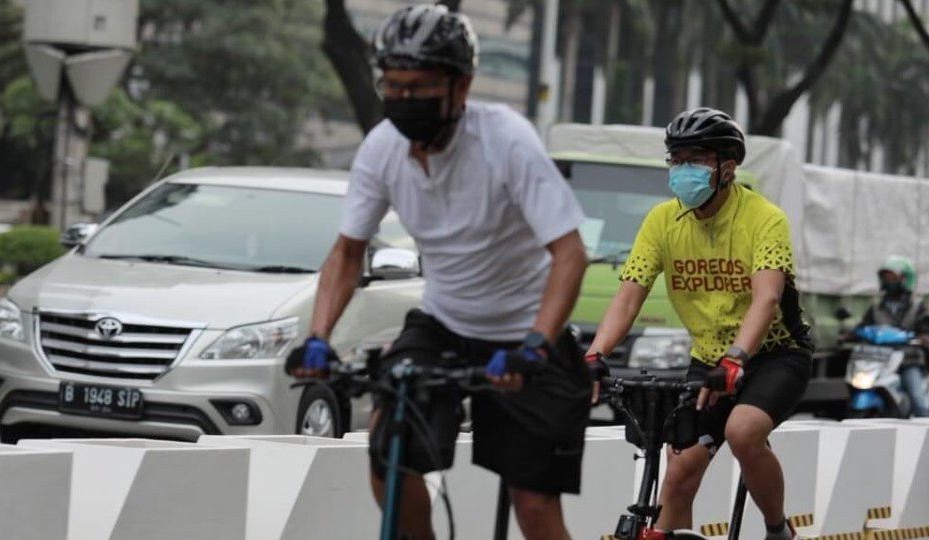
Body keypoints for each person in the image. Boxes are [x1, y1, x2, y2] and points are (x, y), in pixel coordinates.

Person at [285, 5, 591, 539]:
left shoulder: (506, 140)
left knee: (534, 503)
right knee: (390, 458)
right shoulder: (382, 148)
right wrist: (318, 338)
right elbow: (347, 252)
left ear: (462, 86)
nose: (405, 100)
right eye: (393, 86)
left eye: (421, 86)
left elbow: (570, 254)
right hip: (444, 325)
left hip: (526, 335)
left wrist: (536, 345)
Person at [586, 107, 813, 540]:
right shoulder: (661, 222)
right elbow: (628, 295)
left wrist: (736, 359)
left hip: (773, 354)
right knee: (678, 473)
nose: (682, 170)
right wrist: (596, 353)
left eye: (696, 160)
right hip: (707, 359)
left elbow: (766, 299)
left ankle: (778, 530)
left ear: (728, 168)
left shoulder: (765, 219)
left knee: (743, 432)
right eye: (677, 160)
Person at [854, 255, 929, 417]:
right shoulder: (875, 307)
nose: (888, 281)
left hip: (908, 361)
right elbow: (863, 327)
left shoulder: (918, 307)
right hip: (880, 362)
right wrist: (850, 333)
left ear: (905, 279)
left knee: (919, 402)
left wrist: (923, 338)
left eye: (892, 277)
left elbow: (925, 329)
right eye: (885, 277)